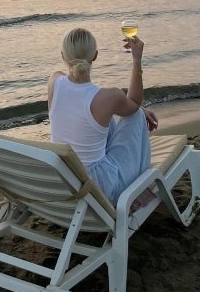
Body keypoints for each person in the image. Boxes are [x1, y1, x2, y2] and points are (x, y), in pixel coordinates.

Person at [48, 27, 158, 205]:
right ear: (95, 56)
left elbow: (78, 99)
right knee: (136, 115)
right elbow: (135, 103)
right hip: (99, 187)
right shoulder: (107, 98)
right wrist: (136, 59)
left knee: (106, 119)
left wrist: (131, 104)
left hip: (66, 180)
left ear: (63, 56)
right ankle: (139, 186)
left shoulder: (54, 82)